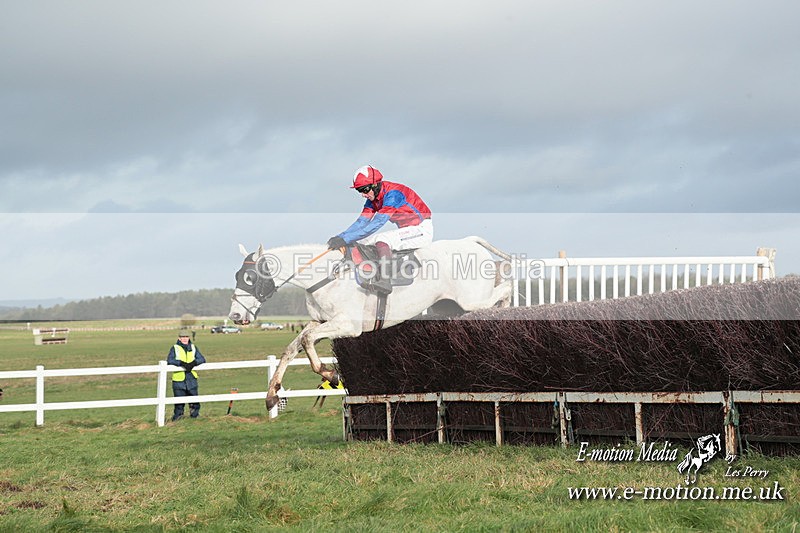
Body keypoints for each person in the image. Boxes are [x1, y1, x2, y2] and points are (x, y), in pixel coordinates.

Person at [327, 165, 433, 294]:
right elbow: (362, 222)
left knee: (382, 239)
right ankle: (369, 274)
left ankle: (385, 281)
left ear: (375, 185)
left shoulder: (394, 194)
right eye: (359, 191)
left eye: (364, 189)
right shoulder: (373, 199)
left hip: (421, 230)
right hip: (407, 231)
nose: (363, 195)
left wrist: (345, 238)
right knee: (363, 242)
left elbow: (378, 222)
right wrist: (341, 237)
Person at [166, 328, 206, 421]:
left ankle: (195, 417)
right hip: (179, 379)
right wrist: (181, 363)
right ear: (179, 338)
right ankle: (177, 419)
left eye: (186, 337)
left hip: (191, 378)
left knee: (194, 400)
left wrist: (194, 363)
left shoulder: (193, 347)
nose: (184, 339)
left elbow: (202, 359)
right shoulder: (175, 348)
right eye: (182, 337)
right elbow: (170, 360)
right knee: (179, 402)